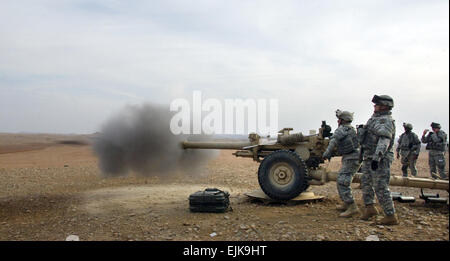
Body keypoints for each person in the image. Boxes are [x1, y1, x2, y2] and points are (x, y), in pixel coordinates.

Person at [357, 95, 398, 225]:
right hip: (369, 157)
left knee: (380, 186)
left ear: (384, 106)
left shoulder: (385, 121)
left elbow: (384, 140)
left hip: (380, 159)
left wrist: (377, 158)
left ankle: (390, 215)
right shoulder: (375, 119)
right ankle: (370, 208)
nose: (375, 107)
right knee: (366, 183)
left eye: (377, 104)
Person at [322, 110, 361, 218]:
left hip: (351, 158)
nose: (338, 121)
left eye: (339, 119)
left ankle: (352, 207)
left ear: (342, 120)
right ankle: (346, 203)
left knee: (343, 181)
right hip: (351, 157)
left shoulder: (342, 130)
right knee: (341, 179)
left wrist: (326, 153)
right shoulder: (350, 129)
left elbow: (333, 142)